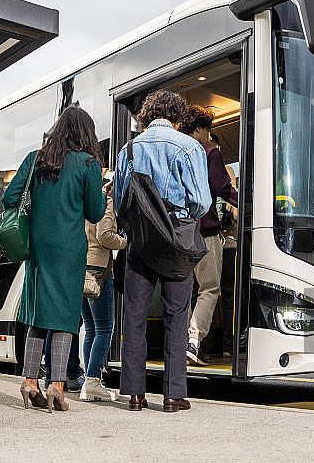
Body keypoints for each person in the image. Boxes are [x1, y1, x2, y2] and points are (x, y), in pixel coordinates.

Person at [2, 106, 107, 412]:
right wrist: (100, 186)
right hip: (69, 250)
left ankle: (30, 381)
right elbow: (95, 212)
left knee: (37, 313)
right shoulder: (88, 163)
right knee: (64, 316)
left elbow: (10, 198)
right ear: (86, 133)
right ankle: (57, 386)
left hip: (38, 248)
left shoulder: (36, 159)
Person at [113, 90, 210, 412]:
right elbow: (201, 201)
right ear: (179, 116)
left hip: (140, 242)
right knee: (176, 315)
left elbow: (119, 198)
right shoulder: (190, 146)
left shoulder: (128, 149)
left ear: (146, 116)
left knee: (135, 317)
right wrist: (180, 220)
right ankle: (172, 395)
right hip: (176, 242)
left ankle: (135, 394)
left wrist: (134, 230)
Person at [179, 106, 239, 366]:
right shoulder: (210, 153)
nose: (209, 134)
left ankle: (179, 341)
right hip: (204, 230)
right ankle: (194, 340)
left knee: (184, 290)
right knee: (210, 288)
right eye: (207, 129)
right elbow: (222, 187)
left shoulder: (177, 154)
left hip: (179, 230)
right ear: (200, 129)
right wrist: (248, 203)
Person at [80, 186, 127, 402]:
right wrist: (125, 241)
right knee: (105, 329)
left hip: (81, 268)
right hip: (99, 270)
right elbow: (105, 235)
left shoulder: (84, 204)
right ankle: (92, 381)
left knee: (90, 329)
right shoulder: (106, 202)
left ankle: (91, 381)